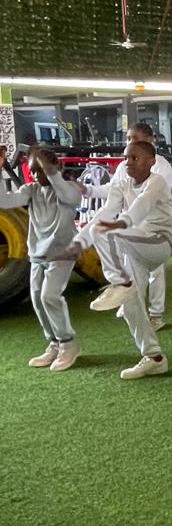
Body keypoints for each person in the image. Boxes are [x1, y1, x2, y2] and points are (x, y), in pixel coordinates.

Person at [65, 141, 172, 379]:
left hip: (160, 241)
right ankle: (155, 358)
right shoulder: (121, 182)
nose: (128, 162)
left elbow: (140, 208)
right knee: (129, 306)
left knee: (107, 231)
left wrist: (119, 224)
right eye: (126, 158)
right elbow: (105, 211)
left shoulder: (157, 182)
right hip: (137, 244)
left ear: (151, 162)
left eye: (134, 158)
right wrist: (80, 242)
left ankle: (120, 283)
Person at [84, 122, 172, 331]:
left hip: (155, 230)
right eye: (128, 139)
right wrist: (87, 190)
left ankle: (156, 314)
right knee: (132, 269)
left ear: (149, 141)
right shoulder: (125, 165)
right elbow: (112, 190)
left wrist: (123, 221)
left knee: (155, 271)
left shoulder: (161, 168)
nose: (130, 142)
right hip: (133, 228)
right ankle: (131, 304)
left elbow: (149, 199)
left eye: (135, 139)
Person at [0, 148, 83, 371]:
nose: (37, 175)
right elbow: (4, 201)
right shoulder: (32, 190)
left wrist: (52, 172)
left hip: (63, 253)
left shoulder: (69, 188)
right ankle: (55, 343)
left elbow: (71, 198)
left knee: (50, 296)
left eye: (41, 170)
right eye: (33, 171)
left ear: (57, 168)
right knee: (37, 298)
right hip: (38, 254)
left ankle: (69, 345)